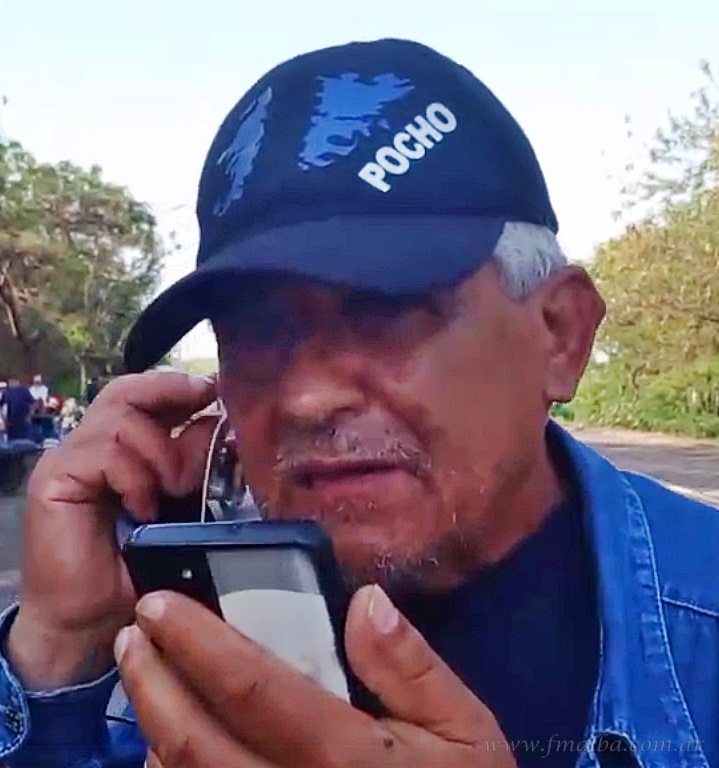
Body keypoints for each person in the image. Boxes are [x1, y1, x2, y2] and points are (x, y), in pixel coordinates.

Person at [0, 38, 716, 768]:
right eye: (256, 332)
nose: (308, 397)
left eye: (387, 311)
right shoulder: (157, 629)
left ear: (559, 335)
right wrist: (59, 650)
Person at [0, 377, 36, 442]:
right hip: (20, 421)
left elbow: (2, 408)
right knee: (25, 441)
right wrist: (30, 415)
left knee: (14, 442)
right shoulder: (24, 390)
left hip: (14, 422)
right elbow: (33, 404)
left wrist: (5, 421)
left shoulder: (8, 392)